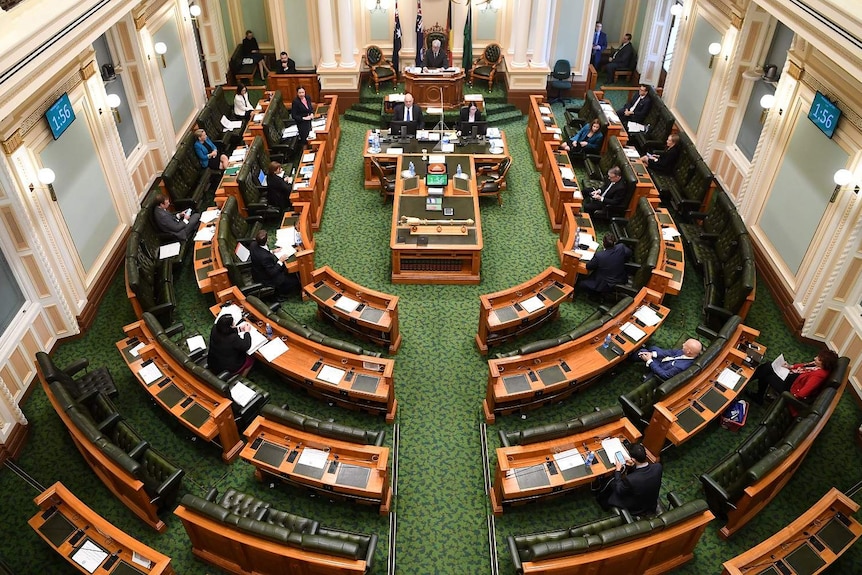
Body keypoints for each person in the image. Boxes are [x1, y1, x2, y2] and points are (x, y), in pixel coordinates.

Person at [746, 348, 839, 406]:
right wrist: (790, 367)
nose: (815, 358)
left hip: (789, 388)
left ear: (825, 363)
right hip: (791, 376)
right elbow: (804, 366)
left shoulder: (818, 376)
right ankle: (753, 388)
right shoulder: (818, 365)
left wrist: (791, 381)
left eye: (818, 359)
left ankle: (748, 382)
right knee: (768, 365)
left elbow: (802, 393)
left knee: (766, 374)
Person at [595, 443, 663, 516]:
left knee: (612, 483)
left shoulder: (631, 479)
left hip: (637, 508)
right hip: (650, 502)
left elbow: (619, 489)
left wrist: (617, 471)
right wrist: (633, 464)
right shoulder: (658, 467)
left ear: (633, 459)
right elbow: (642, 473)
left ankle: (603, 504)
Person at [249, 229, 300, 298]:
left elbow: (260, 253)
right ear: (267, 240)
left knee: (285, 268)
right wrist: (280, 261)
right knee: (295, 282)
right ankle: (281, 293)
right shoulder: (265, 258)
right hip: (266, 278)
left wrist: (272, 251)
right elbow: (272, 272)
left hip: (257, 271)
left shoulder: (253, 244)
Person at [637, 338, 704, 380]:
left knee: (642, 351)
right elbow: (670, 352)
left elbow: (664, 375)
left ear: (688, 351)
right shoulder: (687, 353)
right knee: (652, 349)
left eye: (685, 345)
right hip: (665, 360)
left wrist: (650, 361)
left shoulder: (681, 367)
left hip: (660, 368)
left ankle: (631, 357)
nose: (683, 344)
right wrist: (652, 354)